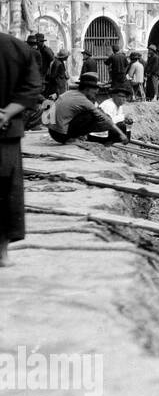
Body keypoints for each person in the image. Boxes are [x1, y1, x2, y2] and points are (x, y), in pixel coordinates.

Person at [1, 29, 43, 267]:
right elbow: (33, 87)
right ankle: (3, 254)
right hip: (8, 130)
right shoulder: (17, 47)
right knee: (7, 192)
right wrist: (7, 112)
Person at [48, 73, 128, 145]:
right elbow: (104, 118)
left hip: (52, 131)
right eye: (95, 88)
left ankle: (78, 136)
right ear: (87, 89)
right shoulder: (83, 100)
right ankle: (71, 139)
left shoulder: (69, 93)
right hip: (61, 135)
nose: (97, 91)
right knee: (92, 116)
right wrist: (121, 134)